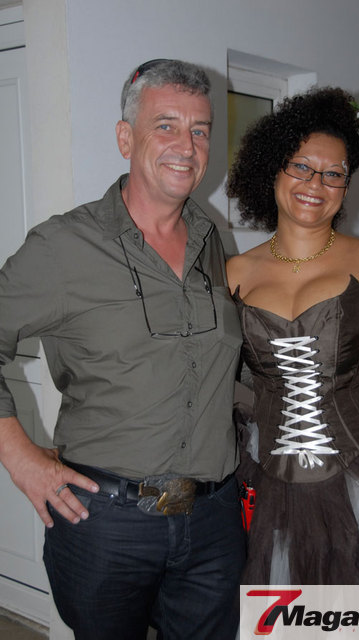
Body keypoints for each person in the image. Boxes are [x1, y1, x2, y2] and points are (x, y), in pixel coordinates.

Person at [0, 59, 245, 639]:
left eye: (200, 129)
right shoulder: (64, 246)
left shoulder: (214, 241)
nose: (186, 145)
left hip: (213, 522)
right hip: (106, 524)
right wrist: (20, 457)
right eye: (166, 125)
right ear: (125, 137)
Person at [226, 87, 359, 585]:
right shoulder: (234, 273)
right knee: (284, 613)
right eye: (301, 166)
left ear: (346, 184)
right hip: (268, 482)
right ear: (273, 169)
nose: (315, 183)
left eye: (333, 173)